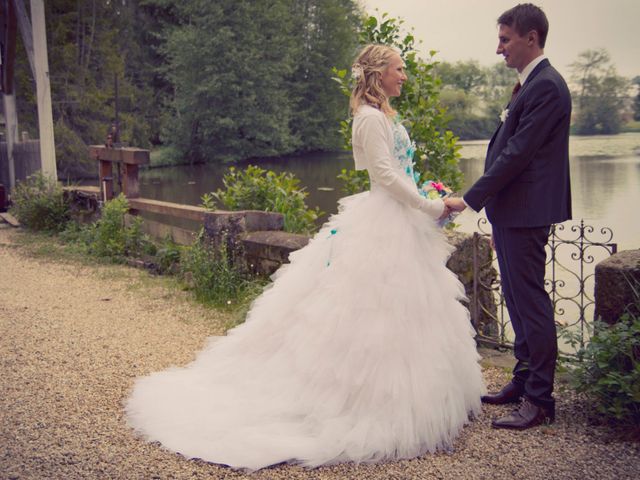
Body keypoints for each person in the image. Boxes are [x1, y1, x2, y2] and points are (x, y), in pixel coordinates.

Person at [125, 44, 484, 471]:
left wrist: (427, 197)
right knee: (376, 312)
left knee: (409, 310)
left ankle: (422, 393)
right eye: (399, 69)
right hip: (387, 220)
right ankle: (362, 401)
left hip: (400, 219)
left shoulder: (383, 114)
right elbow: (385, 176)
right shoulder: (369, 118)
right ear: (377, 73)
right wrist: (431, 206)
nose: (404, 75)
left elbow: (399, 171)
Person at [445, 3, 571, 430]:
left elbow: (518, 154)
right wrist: (497, 214)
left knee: (531, 303)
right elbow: (510, 150)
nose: (498, 48)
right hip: (512, 213)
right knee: (516, 301)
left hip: (527, 212)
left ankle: (539, 400)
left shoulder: (547, 87)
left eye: (505, 39)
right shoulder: (529, 84)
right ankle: (521, 380)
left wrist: (470, 199)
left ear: (530, 38)